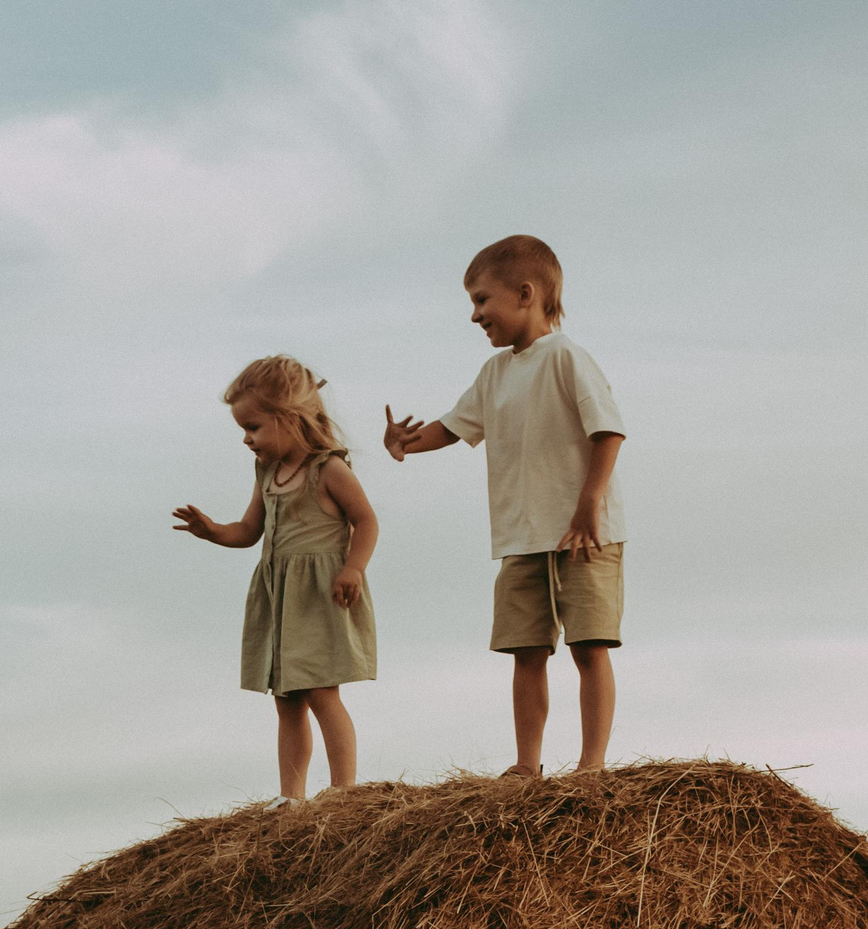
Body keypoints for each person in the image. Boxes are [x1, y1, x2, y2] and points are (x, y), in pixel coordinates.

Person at [384, 235, 628, 775]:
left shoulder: (566, 357)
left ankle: (592, 764)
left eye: (480, 300)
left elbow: (608, 431)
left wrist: (588, 506)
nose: (474, 315)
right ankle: (527, 764)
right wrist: (405, 443)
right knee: (526, 653)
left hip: (584, 532)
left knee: (588, 648)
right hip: (521, 538)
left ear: (525, 294)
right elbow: (453, 427)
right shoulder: (494, 374)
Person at [173, 355, 381, 800]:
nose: (247, 439)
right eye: (243, 430)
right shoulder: (267, 472)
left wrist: (353, 568)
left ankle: (344, 792)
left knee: (323, 694)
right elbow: (249, 532)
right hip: (278, 597)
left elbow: (366, 522)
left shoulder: (329, 469)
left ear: (291, 418)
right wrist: (211, 531)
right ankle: (293, 798)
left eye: (254, 427)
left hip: (322, 595)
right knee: (286, 703)